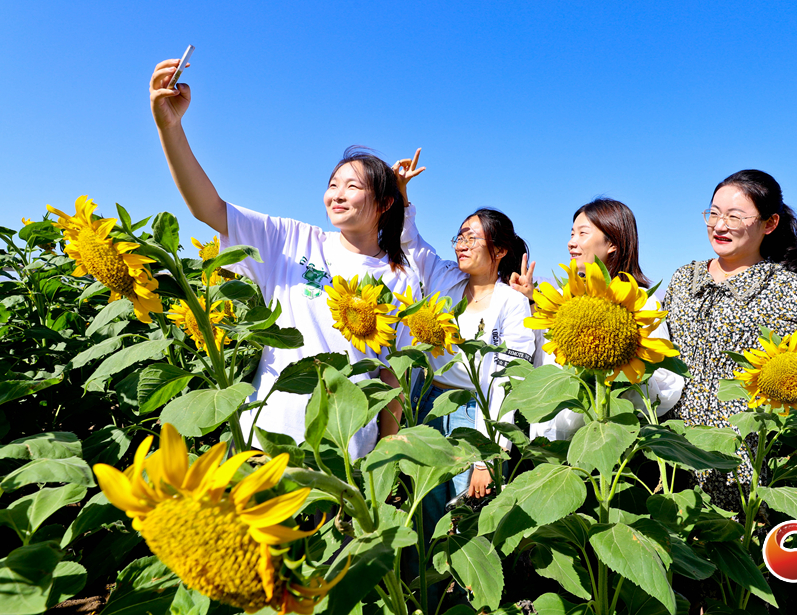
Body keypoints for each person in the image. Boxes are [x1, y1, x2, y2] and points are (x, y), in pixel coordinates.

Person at [149, 58, 421, 459]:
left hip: (346, 452)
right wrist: (169, 128)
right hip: (266, 440)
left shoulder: (400, 277)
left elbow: (392, 376)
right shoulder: (291, 241)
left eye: (353, 187)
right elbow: (209, 208)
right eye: (333, 184)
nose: (337, 194)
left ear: (384, 203)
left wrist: (385, 453)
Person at [662, 169, 797, 510]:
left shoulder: (784, 289)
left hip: (741, 469)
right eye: (713, 213)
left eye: (735, 216)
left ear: (770, 223)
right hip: (670, 462)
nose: (719, 225)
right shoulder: (684, 280)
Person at [508, 198, 685, 440]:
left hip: (608, 438)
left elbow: (666, 387)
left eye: (582, 233)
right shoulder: (566, 300)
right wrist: (531, 300)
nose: (571, 242)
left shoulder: (639, 303)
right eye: (572, 233)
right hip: (550, 440)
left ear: (612, 243)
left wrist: (618, 374)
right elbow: (544, 357)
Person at [397, 194, 535, 500]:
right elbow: (412, 243)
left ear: (499, 249)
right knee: (424, 498)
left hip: (476, 412)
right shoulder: (445, 276)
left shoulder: (512, 302)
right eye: (459, 237)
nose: (462, 245)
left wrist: (488, 456)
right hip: (428, 402)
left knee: (463, 504)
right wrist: (403, 195)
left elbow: (507, 381)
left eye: (472, 238)